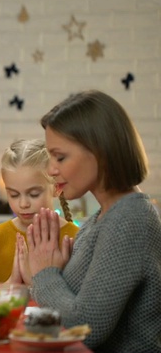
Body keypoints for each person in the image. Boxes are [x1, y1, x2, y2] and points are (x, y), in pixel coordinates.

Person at [27, 90, 161, 351]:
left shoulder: (130, 219)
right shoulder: (99, 220)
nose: (51, 169)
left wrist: (43, 273)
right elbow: (65, 305)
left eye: (60, 157)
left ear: (100, 151)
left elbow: (84, 328)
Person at [0, 139, 78, 283]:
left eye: (34, 194)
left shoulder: (76, 239)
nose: (23, 204)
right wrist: (12, 283)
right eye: (14, 194)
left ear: (57, 188)